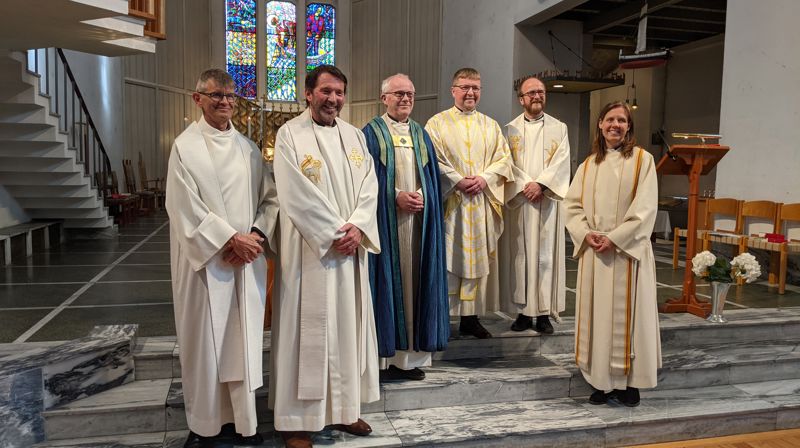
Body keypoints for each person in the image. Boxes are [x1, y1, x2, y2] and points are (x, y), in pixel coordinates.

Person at [166, 68, 278, 447]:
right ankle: (203, 426)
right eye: (216, 95)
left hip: (245, 264)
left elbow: (271, 199)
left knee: (241, 345)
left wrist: (256, 236)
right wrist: (230, 239)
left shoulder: (248, 148)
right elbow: (182, 207)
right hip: (206, 266)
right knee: (204, 346)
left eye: (231, 96)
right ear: (197, 98)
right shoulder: (185, 147)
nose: (226, 102)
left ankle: (243, 424)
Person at [269, 65, 380, 448]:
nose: (333, 99)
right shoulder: (290, 135)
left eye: (339, 93)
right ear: (308, 93)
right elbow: (293, 193)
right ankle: (298, 421)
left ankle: (345, 411)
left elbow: (371, 185)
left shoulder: (354, 136)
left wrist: (359, 227)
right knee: (307, 333)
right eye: (326, 91)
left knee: (347, 330)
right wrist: (334, 233)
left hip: (349, 252)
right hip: (310, 254)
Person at [564, 101, 661, 407]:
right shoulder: (588, 165)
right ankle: (601, 382)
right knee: (598, 320)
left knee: (629, 321)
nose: (615, 125)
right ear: (600, 125)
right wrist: (586, 234)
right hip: (596, 253)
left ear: (629, 126)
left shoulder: (643, 161)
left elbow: (645, 209)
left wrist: (616, 239)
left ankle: (629, 384)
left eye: (621, 120)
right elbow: (572, 206)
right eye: (609, 120)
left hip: (626, 254)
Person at [362, 74, 449, 381]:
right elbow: (363, 180)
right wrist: (394, 196)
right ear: (383, 97)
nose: (405, 99)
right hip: (387, 223)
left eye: (410, 94)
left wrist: (423, 196)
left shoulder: (421, 134)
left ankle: (410, 360)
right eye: (398, 94)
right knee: (387, 284)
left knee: (417, 284)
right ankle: (384, 359)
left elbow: (432, 177)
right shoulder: (370, 134)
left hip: (418, 222)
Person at [425, 67, 513, 339]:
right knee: (449, 258)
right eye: (464, 87)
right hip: (452, 203)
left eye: (475, 87)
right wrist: (457, 180)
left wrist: (485, 179)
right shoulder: (436, 124)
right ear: (453, 90)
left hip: (480, 203)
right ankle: (445, 318)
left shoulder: (490, 125)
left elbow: (504, 159)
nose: (470, 92)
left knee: (476, 260)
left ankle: (470, 318)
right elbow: (431, 159)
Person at [500, 76, 570, 335]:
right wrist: (525, 185)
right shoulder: (509, 130)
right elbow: (506, 164)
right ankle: (522, 312)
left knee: (545, 258)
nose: (537, 96)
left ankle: (542, 314)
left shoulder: (559, 128)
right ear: (521, 99)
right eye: (531, 93)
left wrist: (541, 185)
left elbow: (562, 162)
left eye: (541, 92)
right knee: (520, 256)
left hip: (547, 202)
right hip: (521, 203)